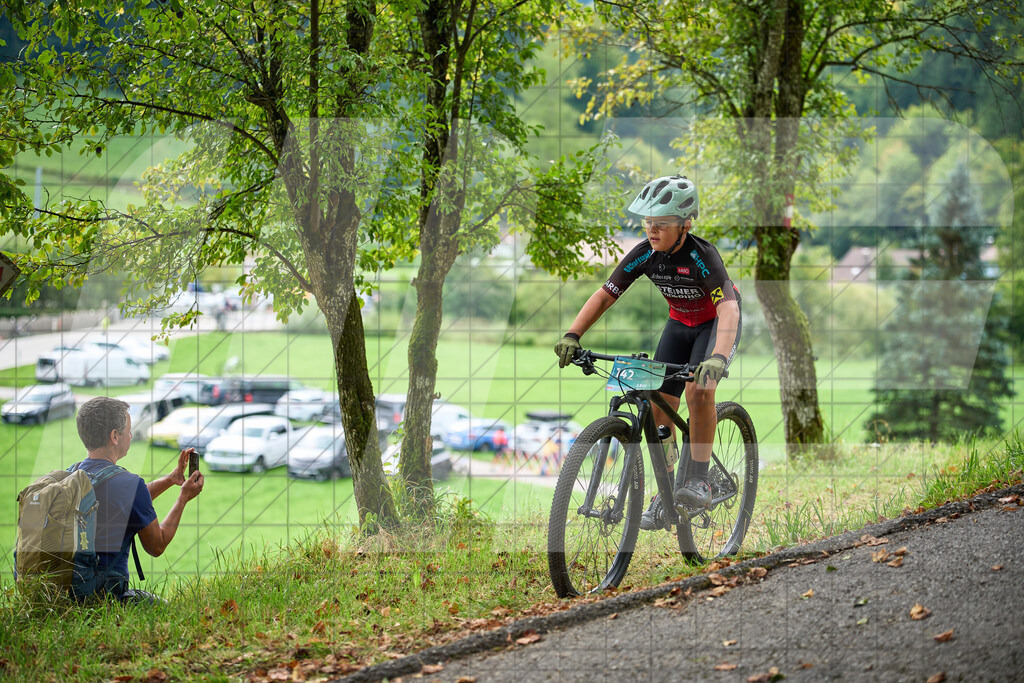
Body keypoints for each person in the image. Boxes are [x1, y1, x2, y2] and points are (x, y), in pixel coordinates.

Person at [554, 175, 741, 531]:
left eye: (662, 223)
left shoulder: (703, 256)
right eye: (648, 222)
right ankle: (668, 492)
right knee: (658, 405)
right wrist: (572, 334)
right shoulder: (644, 254)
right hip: (679, 325)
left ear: (685, 225)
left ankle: (700, 478)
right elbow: (606, 294)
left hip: (715, 324)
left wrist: (716, 357)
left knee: (698, 391)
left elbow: (728, 309)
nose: (652, 230)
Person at [72, 396, 205, 603]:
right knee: (166, 609)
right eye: (129, 430)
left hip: (67, 591)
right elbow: (156, 546)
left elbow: (124, 502)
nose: (132, 435)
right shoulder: (129, 484)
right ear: (115, 436)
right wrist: (183, 498)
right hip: (106, 597)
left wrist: (171, 480)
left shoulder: (72, 476)